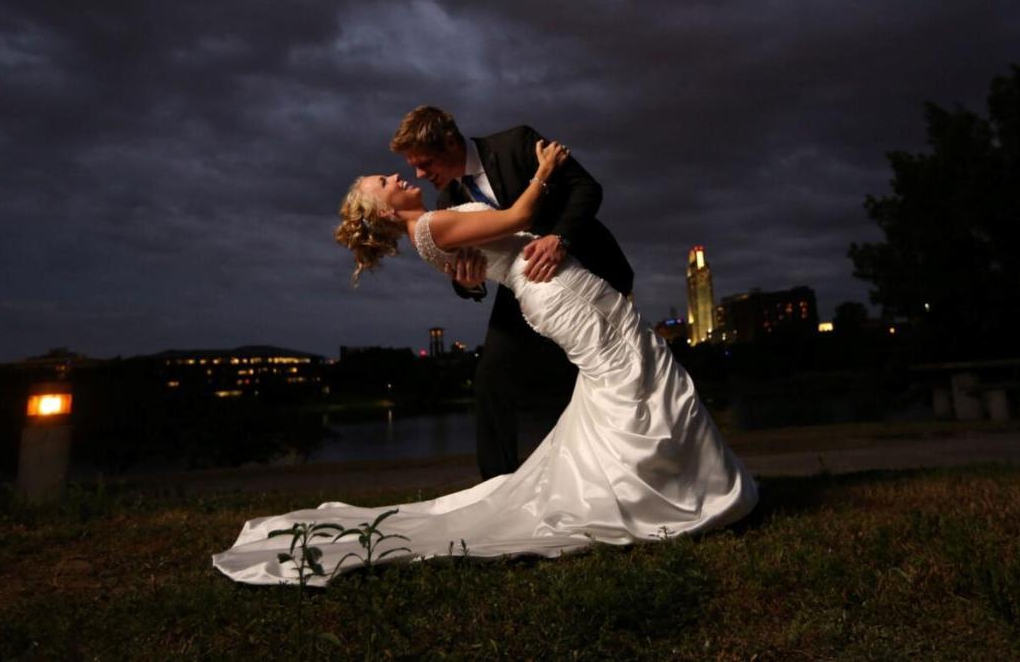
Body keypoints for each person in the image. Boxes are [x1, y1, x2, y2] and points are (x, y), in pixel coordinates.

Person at [212, 140, 758, 585]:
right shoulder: (429, 229)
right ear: (382, 210)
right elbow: (519, 215)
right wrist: (544, 169)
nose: (397, 176)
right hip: (554, 294)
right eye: (384, 182)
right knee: (633, 381)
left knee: (633, 379)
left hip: (565, 284)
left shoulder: (434, 222)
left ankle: (672, 488)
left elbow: (491, 245)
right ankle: (670, 496)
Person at [388, 106, 634, 480]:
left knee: (599, 370)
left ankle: (607, 467)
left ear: (451, 142)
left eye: (424, 162)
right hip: (524, 288)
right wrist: (467, 283)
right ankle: (498, 484)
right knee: (491, 376)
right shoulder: (444, 203)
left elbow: (587, 188)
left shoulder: (516, 142)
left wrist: (560, 239)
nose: (419, 175)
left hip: (584, 267)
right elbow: (461, 272)